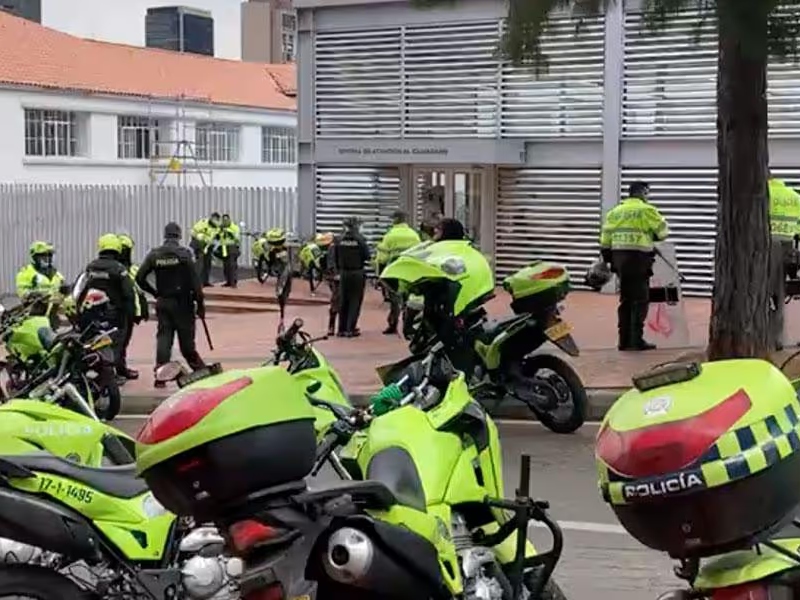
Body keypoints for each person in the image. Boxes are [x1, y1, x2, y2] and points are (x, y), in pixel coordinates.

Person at [600, 181, 669, 352]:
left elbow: (605, 239)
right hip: (639, 259)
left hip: (620, 260)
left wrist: (609, 260)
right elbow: (662, 233)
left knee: (626, 299)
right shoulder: (647, 210)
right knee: (640, 299)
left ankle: (623, 341)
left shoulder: (615, 212)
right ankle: (636, 340)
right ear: (644, 192)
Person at [136, 222, 207, 388]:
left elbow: (140, 278)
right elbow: (195, 282)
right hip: (183, 303)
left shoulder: (155, 255)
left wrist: (155, 293)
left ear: (165, 235)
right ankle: (200, 369)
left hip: (164, 301)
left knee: (164, 338)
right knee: (187, 343)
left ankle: (160, 375)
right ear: (179, 236)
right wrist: (200, 303)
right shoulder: (184, 254)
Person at [73, 234, 137, 379]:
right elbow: (128, 293)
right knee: (116, 344)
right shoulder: (119, 268)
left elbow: (81, 289)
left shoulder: (91, 267)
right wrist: (130, 313)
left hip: (91, 312)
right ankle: (112, 375)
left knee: (93, 342)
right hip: (115, 313)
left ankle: (98, 370)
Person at [767, 171, 800, 350]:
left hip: (765, 247)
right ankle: (777, 338)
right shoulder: (794, 196)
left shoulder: (761, 194)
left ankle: (767, 338)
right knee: (779, 294)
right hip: (788, 248)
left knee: (760, 294)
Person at [375, 211, 422, 335]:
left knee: (394, 300)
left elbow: (382, 258)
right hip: (410, 272)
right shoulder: (414, 235)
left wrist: (380, 274)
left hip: (394, 272)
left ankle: (393, 325)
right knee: (409, 300)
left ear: (395, 219)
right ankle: (408, 325)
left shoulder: (390, 235)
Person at [116, 233, 150, 380]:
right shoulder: (115, 270)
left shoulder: (132, 268)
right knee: (118, 342)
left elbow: (139, 290)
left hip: (130, 312)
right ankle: (116, 370)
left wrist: (142, 310)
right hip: (118, 312)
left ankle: (121, 368)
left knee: (124, 342)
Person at [331, 217, 370, 337]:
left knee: (343, 300)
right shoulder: (360, 239)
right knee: (355, 301)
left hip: (343, 273)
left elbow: (334, 257)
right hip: (357, 272)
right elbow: (367, 256)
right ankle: (350, 329)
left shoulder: (338, 240)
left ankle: (341, 329)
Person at [16, 241, 66, 328]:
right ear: (35, 257)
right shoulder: (27, 272)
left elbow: (63, 289)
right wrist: (33, 295)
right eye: (43, 256)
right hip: (35, 313)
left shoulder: (56, 273)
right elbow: (22, 292)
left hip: (54, 314)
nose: (47, 259)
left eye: (49, 255)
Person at [209, 214, 240, 288]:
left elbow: (236, 238)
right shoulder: (221, 228)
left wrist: (228, 231)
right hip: (224, 248)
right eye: (223, 220)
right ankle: (228, 281)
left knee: (232, 265)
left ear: (229, 220)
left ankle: (233, 282)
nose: (225, 222)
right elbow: (217, 237)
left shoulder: (234, 227)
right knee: (226, 266)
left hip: (232, 248)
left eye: (226, 220)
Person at [192, 212, 220, 287]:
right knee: (200, 264)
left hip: (208, 246)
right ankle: (198, 283)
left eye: (216, 219)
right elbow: (194, 232)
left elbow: (216, 237)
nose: (215, 221)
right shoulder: (203, 223)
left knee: (207, 264)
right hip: (199, 244)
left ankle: (205, 281)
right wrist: (200, 237)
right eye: (213, 218)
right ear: (211, 218)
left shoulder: (217, 227)